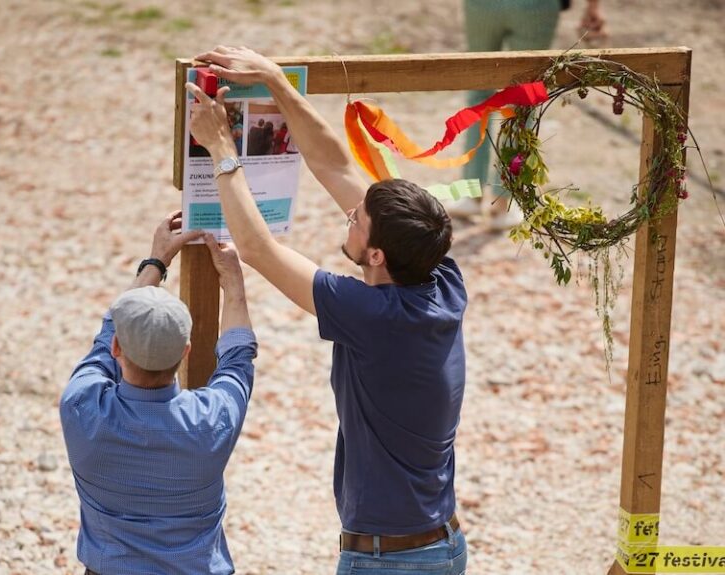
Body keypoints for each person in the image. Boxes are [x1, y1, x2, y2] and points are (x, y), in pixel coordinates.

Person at [187, 46, 468, 575]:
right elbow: (335, 165)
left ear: (377, 255)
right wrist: (277, 82)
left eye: (356, 220)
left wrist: (221, 146)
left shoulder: (372, 315)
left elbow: (259, 249)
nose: (349, 214)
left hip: (391, 561)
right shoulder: (441, 276)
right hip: (441, 545)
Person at [59, 211, 257, 575]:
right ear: (185, 352)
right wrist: (233, 284)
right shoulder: (212, 419)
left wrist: (157, 261)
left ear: (118, 349)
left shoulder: (81, 404)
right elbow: (237, 359)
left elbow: (107, 333)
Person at [452, 0, 607, 228]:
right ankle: (502, 202)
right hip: (535, 7)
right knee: (523, 101)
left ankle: (471, 193)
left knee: (479, 92)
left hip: (482, 6)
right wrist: (593, 8)